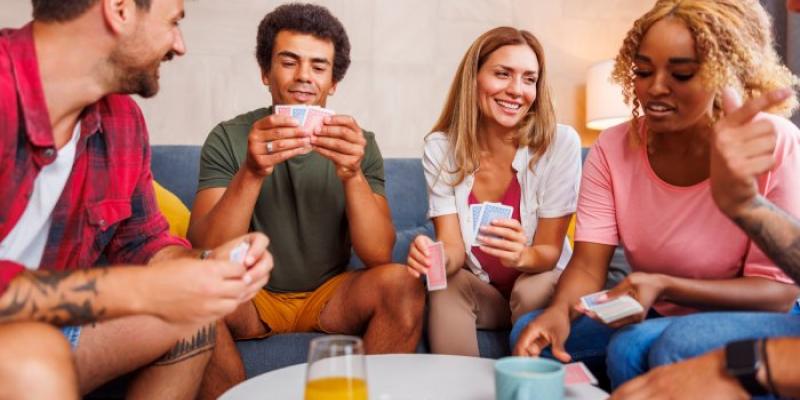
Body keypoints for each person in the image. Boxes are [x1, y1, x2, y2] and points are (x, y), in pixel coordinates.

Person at [511, 0, 800, 389]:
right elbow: (586, 266)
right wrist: (561, 309)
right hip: (657, 309)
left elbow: (778, 294)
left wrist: (665, 284)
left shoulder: (771, 142)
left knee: (646, 346)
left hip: (764, 315)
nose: (655, 87)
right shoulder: (613, 147)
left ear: (726, 73)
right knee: (532, 333)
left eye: (681, 73)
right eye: (643, 71)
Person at [0, 0, 273, 398]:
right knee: (32, 359)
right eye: (173, 22)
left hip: (51, 329)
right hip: (28, 350)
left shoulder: (122, 123)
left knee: (192, 318)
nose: (179, 46)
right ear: (120, 9)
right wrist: (140, 290)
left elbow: (145, 245)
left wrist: (209, 265)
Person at [188, 3, 425, 397]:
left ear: (333, 82)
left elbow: (379, 255)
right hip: (251, 294)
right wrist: (251, 172)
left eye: (319, 66)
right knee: (190, 287)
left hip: (329, 295)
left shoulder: (358, 143)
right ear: (265, 72)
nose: (303, 77)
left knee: (402, 284)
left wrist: (351, 174)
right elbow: (205, 249)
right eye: (289, 62)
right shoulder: (229, 138)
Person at [406, 26, 580, 356]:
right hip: (487, 294)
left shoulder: (560, 143)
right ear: (474, 79)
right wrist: (435, 256)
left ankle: (526, 382)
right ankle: (458, 387)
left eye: (529, 79)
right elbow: (453, 249)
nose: (517, 90)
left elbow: (549, 252)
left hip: (541, 282)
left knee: (529, 288)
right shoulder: (441, 148)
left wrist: (522, 256)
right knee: (445, 285)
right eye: (502, 74)